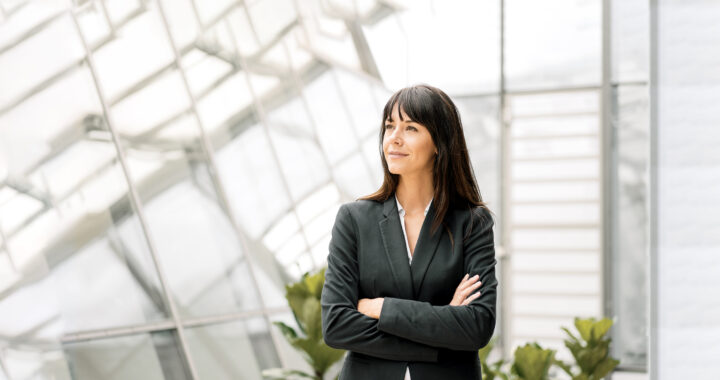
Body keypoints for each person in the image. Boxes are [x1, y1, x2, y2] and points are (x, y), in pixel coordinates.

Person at [320, 84, 498, 380]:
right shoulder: (354, 219)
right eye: (390, 126)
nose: (394, 139)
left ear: (440, 142)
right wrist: (441, 330)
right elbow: (337, 324)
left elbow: (477, 326)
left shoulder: (472, 223)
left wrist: (382, 307)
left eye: (410, 128)